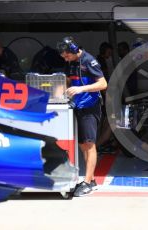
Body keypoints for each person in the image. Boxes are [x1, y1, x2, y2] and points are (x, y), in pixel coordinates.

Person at [57, 36, 107, 197]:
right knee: (82, 145)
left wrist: (81, 89)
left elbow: (103, 84)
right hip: (77, 106)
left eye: (66, 55)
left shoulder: (89, 60)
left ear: (73, 51)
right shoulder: (71, 62)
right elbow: (70, 81)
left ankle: (88, 183)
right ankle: (89, 179)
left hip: (90, 106)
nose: (65, 58)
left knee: (90, 144)